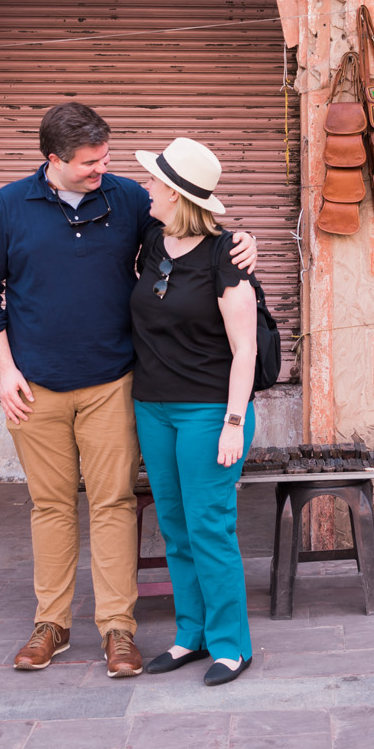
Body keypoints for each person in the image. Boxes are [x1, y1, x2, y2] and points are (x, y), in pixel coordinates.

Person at [0, 103, 255, 679]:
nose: (104, 169)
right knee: (50, 505)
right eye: (90, 162)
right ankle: (52, 623)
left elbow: (193, 232)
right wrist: (4, 369)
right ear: (54, 159)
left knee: (116, 506)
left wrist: (243, 240)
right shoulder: (8, 206)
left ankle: (118, 628)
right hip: (35, 387)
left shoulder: (125, 200)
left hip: (114, 385)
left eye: (105, 158)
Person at [128, 137, 259, 687]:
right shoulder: (151, 243)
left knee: (209, 527)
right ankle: (192, 634)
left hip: (208, 411)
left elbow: (245, 348)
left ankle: (231, 645)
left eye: (155, 182)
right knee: (175, 528)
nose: (146, 188)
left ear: (178, 195)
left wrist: (233, 421)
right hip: (153, 408)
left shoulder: (225, 257)